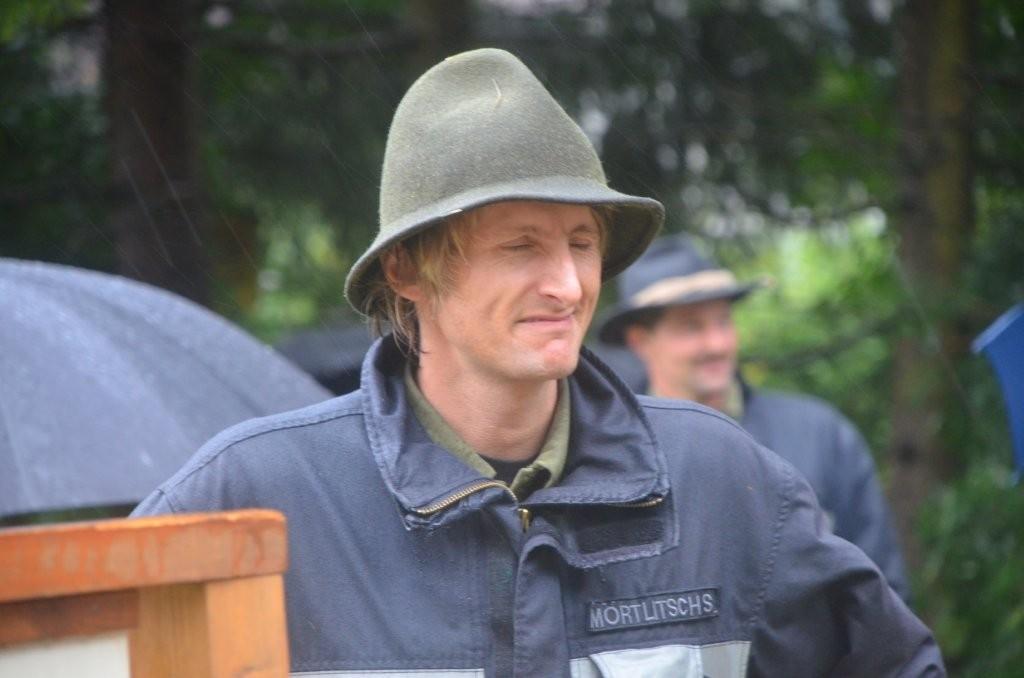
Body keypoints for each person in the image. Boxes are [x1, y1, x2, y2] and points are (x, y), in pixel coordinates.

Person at [133, 48, 943, 676]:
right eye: (521, 246)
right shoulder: (258, 500)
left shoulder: (720, 480)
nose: (568, 284)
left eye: (581, 243)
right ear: (407, 271)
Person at [596, 234, 912, 602]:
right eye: (691, 327)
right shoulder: (607, 458)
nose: (717, 344)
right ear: (640, 342)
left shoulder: (823, 435)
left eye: (723, 321)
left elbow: (882, 595)